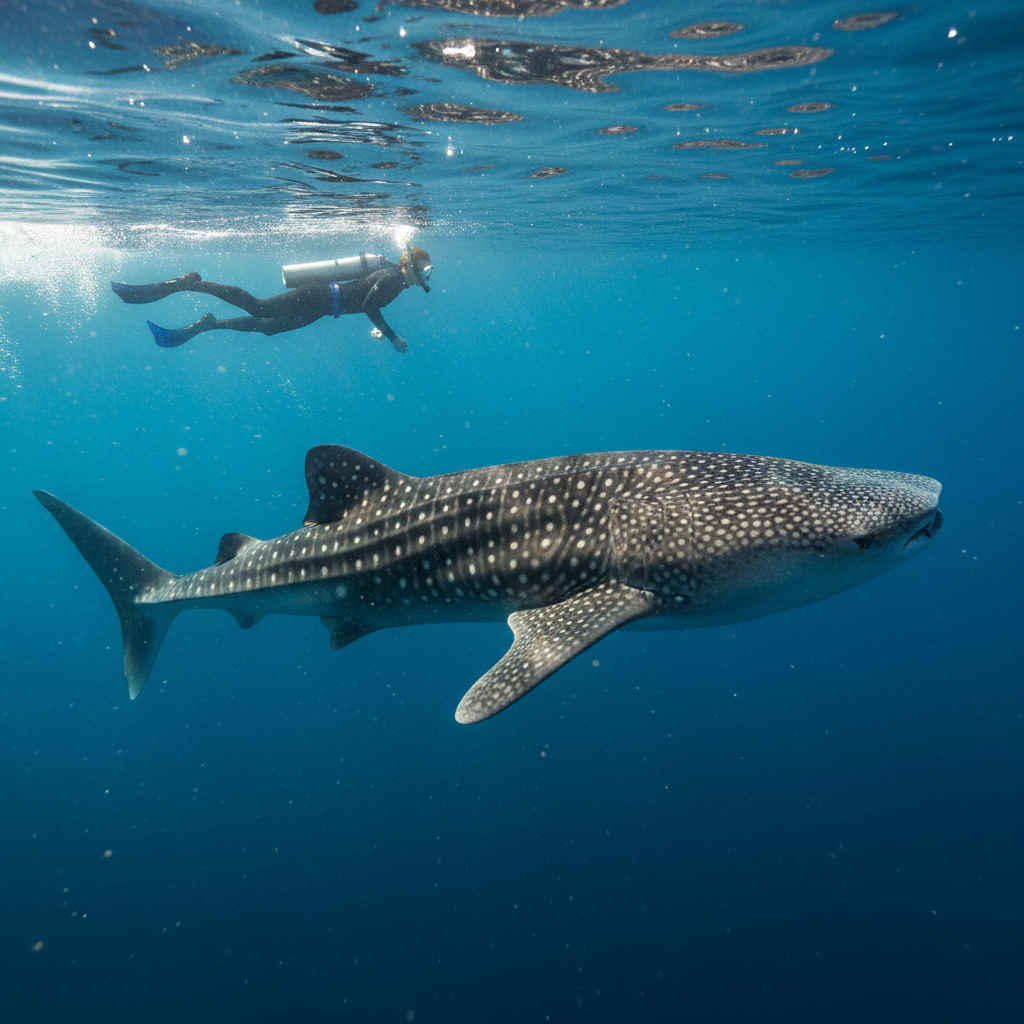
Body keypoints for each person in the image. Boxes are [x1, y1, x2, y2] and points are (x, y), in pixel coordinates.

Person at [110, 246, 433, 353]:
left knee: (269, 328)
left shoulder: (398, 281)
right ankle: (192, 283)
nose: (427, 276)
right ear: (410, 266)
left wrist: (381, 328)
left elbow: (366, 301)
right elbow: (368, 305)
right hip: (319, 296)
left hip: (322, 309)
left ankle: (210, 323)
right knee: (259, 307)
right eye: (425, 270)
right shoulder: (393, 278)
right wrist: (392, 337)